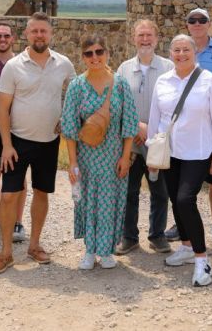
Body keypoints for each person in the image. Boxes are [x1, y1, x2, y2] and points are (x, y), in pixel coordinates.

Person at [0, 12, 75, 275]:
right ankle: (5, 252)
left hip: (49, 142)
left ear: (51, 34)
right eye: (35, 31)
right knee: (8, 195)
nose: (39, 35)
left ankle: (34, 245)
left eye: (44, 31)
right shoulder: (14, 66)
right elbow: (2, 109)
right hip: (17, 141)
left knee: (41, 192)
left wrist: (66, 118)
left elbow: (74, 95)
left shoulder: (63, 64)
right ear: (26, 34)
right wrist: (6, 145)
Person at [149, 34, 212, 287]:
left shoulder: (209, 82)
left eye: (186, 49)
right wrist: (153, 150)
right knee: (175, 199)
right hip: (170, 152)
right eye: (176, 50)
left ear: (195, 52)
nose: (181, 54)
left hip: (198, 152)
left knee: (186, 200)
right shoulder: (163, 81)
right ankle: (185, 247)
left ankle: (201, 259)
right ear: (170, 53)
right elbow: (156, 118)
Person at [61, 35, 138, 269]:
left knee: (110, 202)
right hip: (85, 156)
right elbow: (70, 126)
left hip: (113, 155)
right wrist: (72, 162)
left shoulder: (121, 84)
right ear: (82, 57)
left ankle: (106, 250)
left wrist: (126, 157)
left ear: (107, 54)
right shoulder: (76, 85)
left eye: (99, 52)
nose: (94, 57)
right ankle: (89, 249)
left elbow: (130, 124)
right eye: (88, 53)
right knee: (85, 202)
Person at [165, 8, 212, 249]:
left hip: (209, 127)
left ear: (209, 23)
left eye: (202, 20)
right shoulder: (181, 49)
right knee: (181, 192)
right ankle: (183, 226)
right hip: (183, 131)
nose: (197, 23)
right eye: (192, 20)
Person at [114, 20, 173, 255]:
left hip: (158, 140)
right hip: (131, 141)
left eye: (149, 35)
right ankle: (129, 237)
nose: (145, 40)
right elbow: (117, 103)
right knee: (129, 190)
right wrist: (135, 127)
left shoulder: (168, 67)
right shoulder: (124, 69)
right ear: (133, 38)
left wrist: (151, 129)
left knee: (160, 191)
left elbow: (175, 103)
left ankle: (157, 235)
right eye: (141, 35)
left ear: (157, 39)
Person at [0, 21, 28, 245]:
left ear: (13, 39)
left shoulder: (23, 63)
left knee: (18, 176)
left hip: (18, 128)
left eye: (6, 36)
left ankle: (18, 221)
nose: (2, 39)